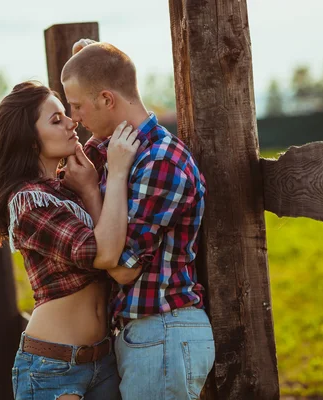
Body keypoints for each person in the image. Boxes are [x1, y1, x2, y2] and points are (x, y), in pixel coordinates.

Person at [61, 40, 216, 399]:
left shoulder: (161, 161)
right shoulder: (113, 149)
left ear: (107, 99)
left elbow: (123, 267)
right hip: (144, 335)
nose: (75, 118)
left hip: (161, 330)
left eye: (78, 105)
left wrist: (98, 189)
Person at [0, 81, 141, 400]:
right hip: (53, 366)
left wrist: (90, 190)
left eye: (65, 115)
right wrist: (118, 173)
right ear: (28, 140)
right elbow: (102, 253)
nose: (72, 122)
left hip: (103, 358)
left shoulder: (70, 187)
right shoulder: (28, 202)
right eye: (56, 120)